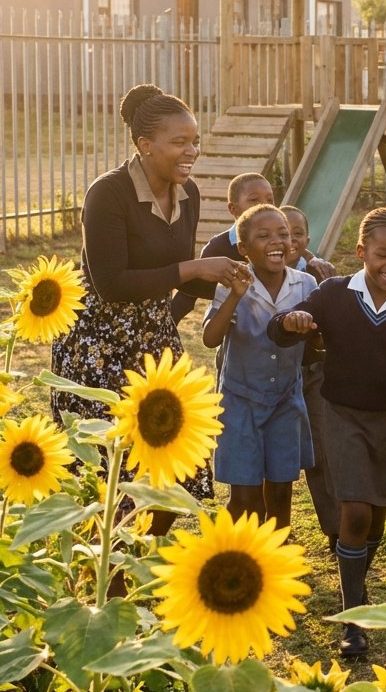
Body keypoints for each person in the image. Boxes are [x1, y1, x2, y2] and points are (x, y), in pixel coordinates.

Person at [51, 83, 240, 522]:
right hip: (96, 344)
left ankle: (135, 559)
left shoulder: (187, 193)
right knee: (107, 469)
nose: (191, 151)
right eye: (179, 142)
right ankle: (107, 577)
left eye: (195, 141)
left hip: (153, 336)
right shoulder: (108, 193)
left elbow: (179, 274)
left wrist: (240, 287)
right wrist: (195, 270)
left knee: (171, 467)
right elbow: (111, 283)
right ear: (145, 145)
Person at [268, 207, 386, 657]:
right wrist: (292, 322)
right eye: (383, 254)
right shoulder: (334, 294)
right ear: (362, 252)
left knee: (377, 515)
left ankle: (358, 585)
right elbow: (281, 328)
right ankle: (352, 620)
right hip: (340, 415)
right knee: (356, 512)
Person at [203, 204, 316, 529]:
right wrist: (235, 297)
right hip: (241, 403)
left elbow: (320, 339)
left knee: (280, 492)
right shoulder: (232, 284)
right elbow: (210, 338)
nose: (277, 242)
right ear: (243, 248)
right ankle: (235, 549)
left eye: (283, 234)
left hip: (285, 401)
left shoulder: (305, 285)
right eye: (263, 236)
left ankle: (276, 560)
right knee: (246, 498)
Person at [170, 174, 333, 324]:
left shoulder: (281, 243)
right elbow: (189, 294)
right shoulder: (217, 248)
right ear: (233, 209)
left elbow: (295, 246)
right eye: (254, 200)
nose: (264, 205)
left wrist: (311, 258)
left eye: (270, 199)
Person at [281, 203, 340, 553]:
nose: (289, 241)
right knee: (276, 454)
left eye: (297, 234)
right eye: (282, 233)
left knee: (321, 448)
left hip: (313, 371)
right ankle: (274, 526)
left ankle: (335, 529)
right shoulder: (256, 273)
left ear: (308, 239)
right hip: (270, 373)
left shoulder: (320, 275)